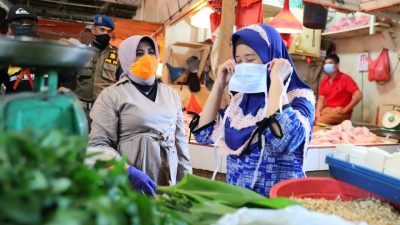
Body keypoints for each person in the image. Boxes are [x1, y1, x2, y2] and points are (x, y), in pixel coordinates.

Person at [190, 24, 315, 197]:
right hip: (239, 203)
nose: (243, 66)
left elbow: (285, 139)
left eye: (250, 59)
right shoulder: (240, 102)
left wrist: (277, 80)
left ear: (272, 58)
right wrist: (219, 84)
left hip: (278, 207)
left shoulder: (299, 98)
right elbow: (203, 135)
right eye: (239, 61)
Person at [89, 35, 192, 196]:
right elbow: (98, 144)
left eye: (151, 52)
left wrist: (186, 183)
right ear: (126, 57)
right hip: (128, 183)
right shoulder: (112, 95)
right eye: (139, 53)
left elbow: (180, 143)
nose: (147, 57)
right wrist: (126, 170)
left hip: (167, 181)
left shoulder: (171, 95)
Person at [74, 15, 119, 114]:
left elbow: (122, 82)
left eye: (108, 31)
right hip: (81, 110)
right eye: (102, 29)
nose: (105, 34)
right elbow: (70, 79)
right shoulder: (81, 52)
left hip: (105, 111)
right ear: (93, 30)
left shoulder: (117, 55)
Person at [0, 5, 39, 94]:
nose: (24, 25)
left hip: (45, 105)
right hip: (14, 105)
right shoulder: (5, 54)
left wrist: (65, 88)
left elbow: (68, 79)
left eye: (28, 22)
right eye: (19, 22)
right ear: (10, 25)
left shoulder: (49, 52)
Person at [316, 54, 362, 125]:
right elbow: (321, 99)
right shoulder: (324, 81)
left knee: (319, 122)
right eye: (325, 63)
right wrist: (317, 111)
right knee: (309, 119)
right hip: (327, 110)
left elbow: (359, 95)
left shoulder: (345, 78)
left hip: (340, 113)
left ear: (337, 65)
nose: (327, 65)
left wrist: (345, 110)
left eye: (330, 63)